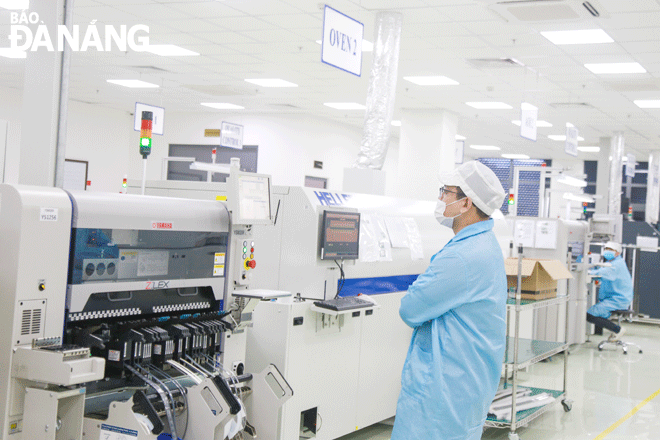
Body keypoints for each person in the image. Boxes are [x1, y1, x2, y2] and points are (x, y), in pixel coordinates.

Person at [391, 161, 507, 440]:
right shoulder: (484, 244)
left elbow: (410, 309)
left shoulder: (462, 256)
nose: (441, 198)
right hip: (468, 376)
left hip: (446, 383)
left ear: (466, 203)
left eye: (446, 192)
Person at [587, 241, 633, 341]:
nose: (607, 251)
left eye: (611, 250)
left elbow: (600, 273)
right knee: (594, 313)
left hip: (618, 300)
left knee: (590, 315)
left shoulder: (615, 265)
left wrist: (587, 271)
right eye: (606, 249)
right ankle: (614, 329)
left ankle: (618, 330)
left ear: (618, 252)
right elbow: (601, 275)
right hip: (615, 298)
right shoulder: (614, 263)